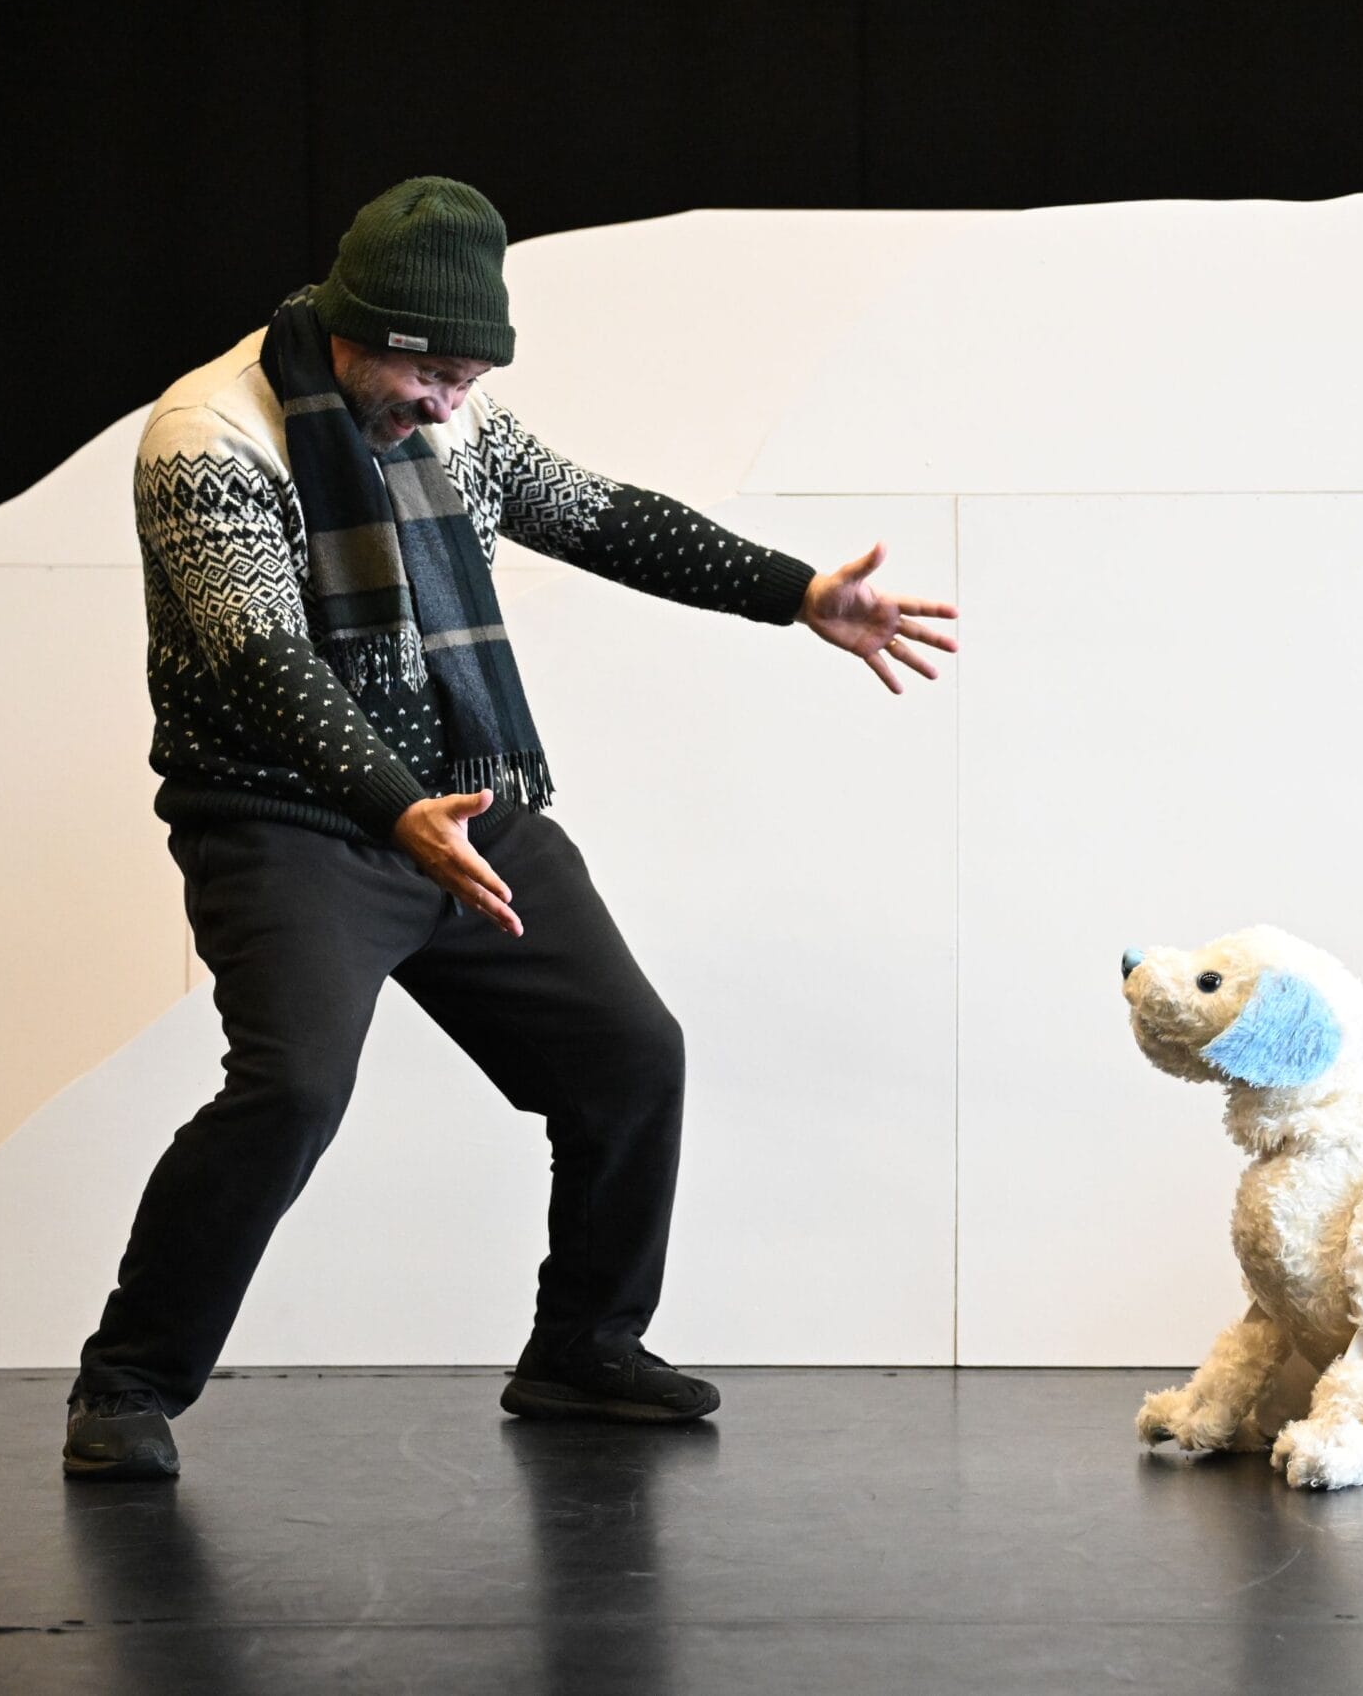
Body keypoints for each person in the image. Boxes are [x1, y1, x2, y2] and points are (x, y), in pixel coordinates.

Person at [63, 177, 957, 1480]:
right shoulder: (212, 436)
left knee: (629, 1056)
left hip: (467, 797)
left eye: (469, 380)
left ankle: (582, 1346)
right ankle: (127, 1381)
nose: (447, 406)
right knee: (293, 1087)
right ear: (357, 329)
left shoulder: (453, 424)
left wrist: (799, 592)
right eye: (431, 376)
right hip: (291, 822)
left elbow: (599, 513)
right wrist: (390, 810)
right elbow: (261, 660)